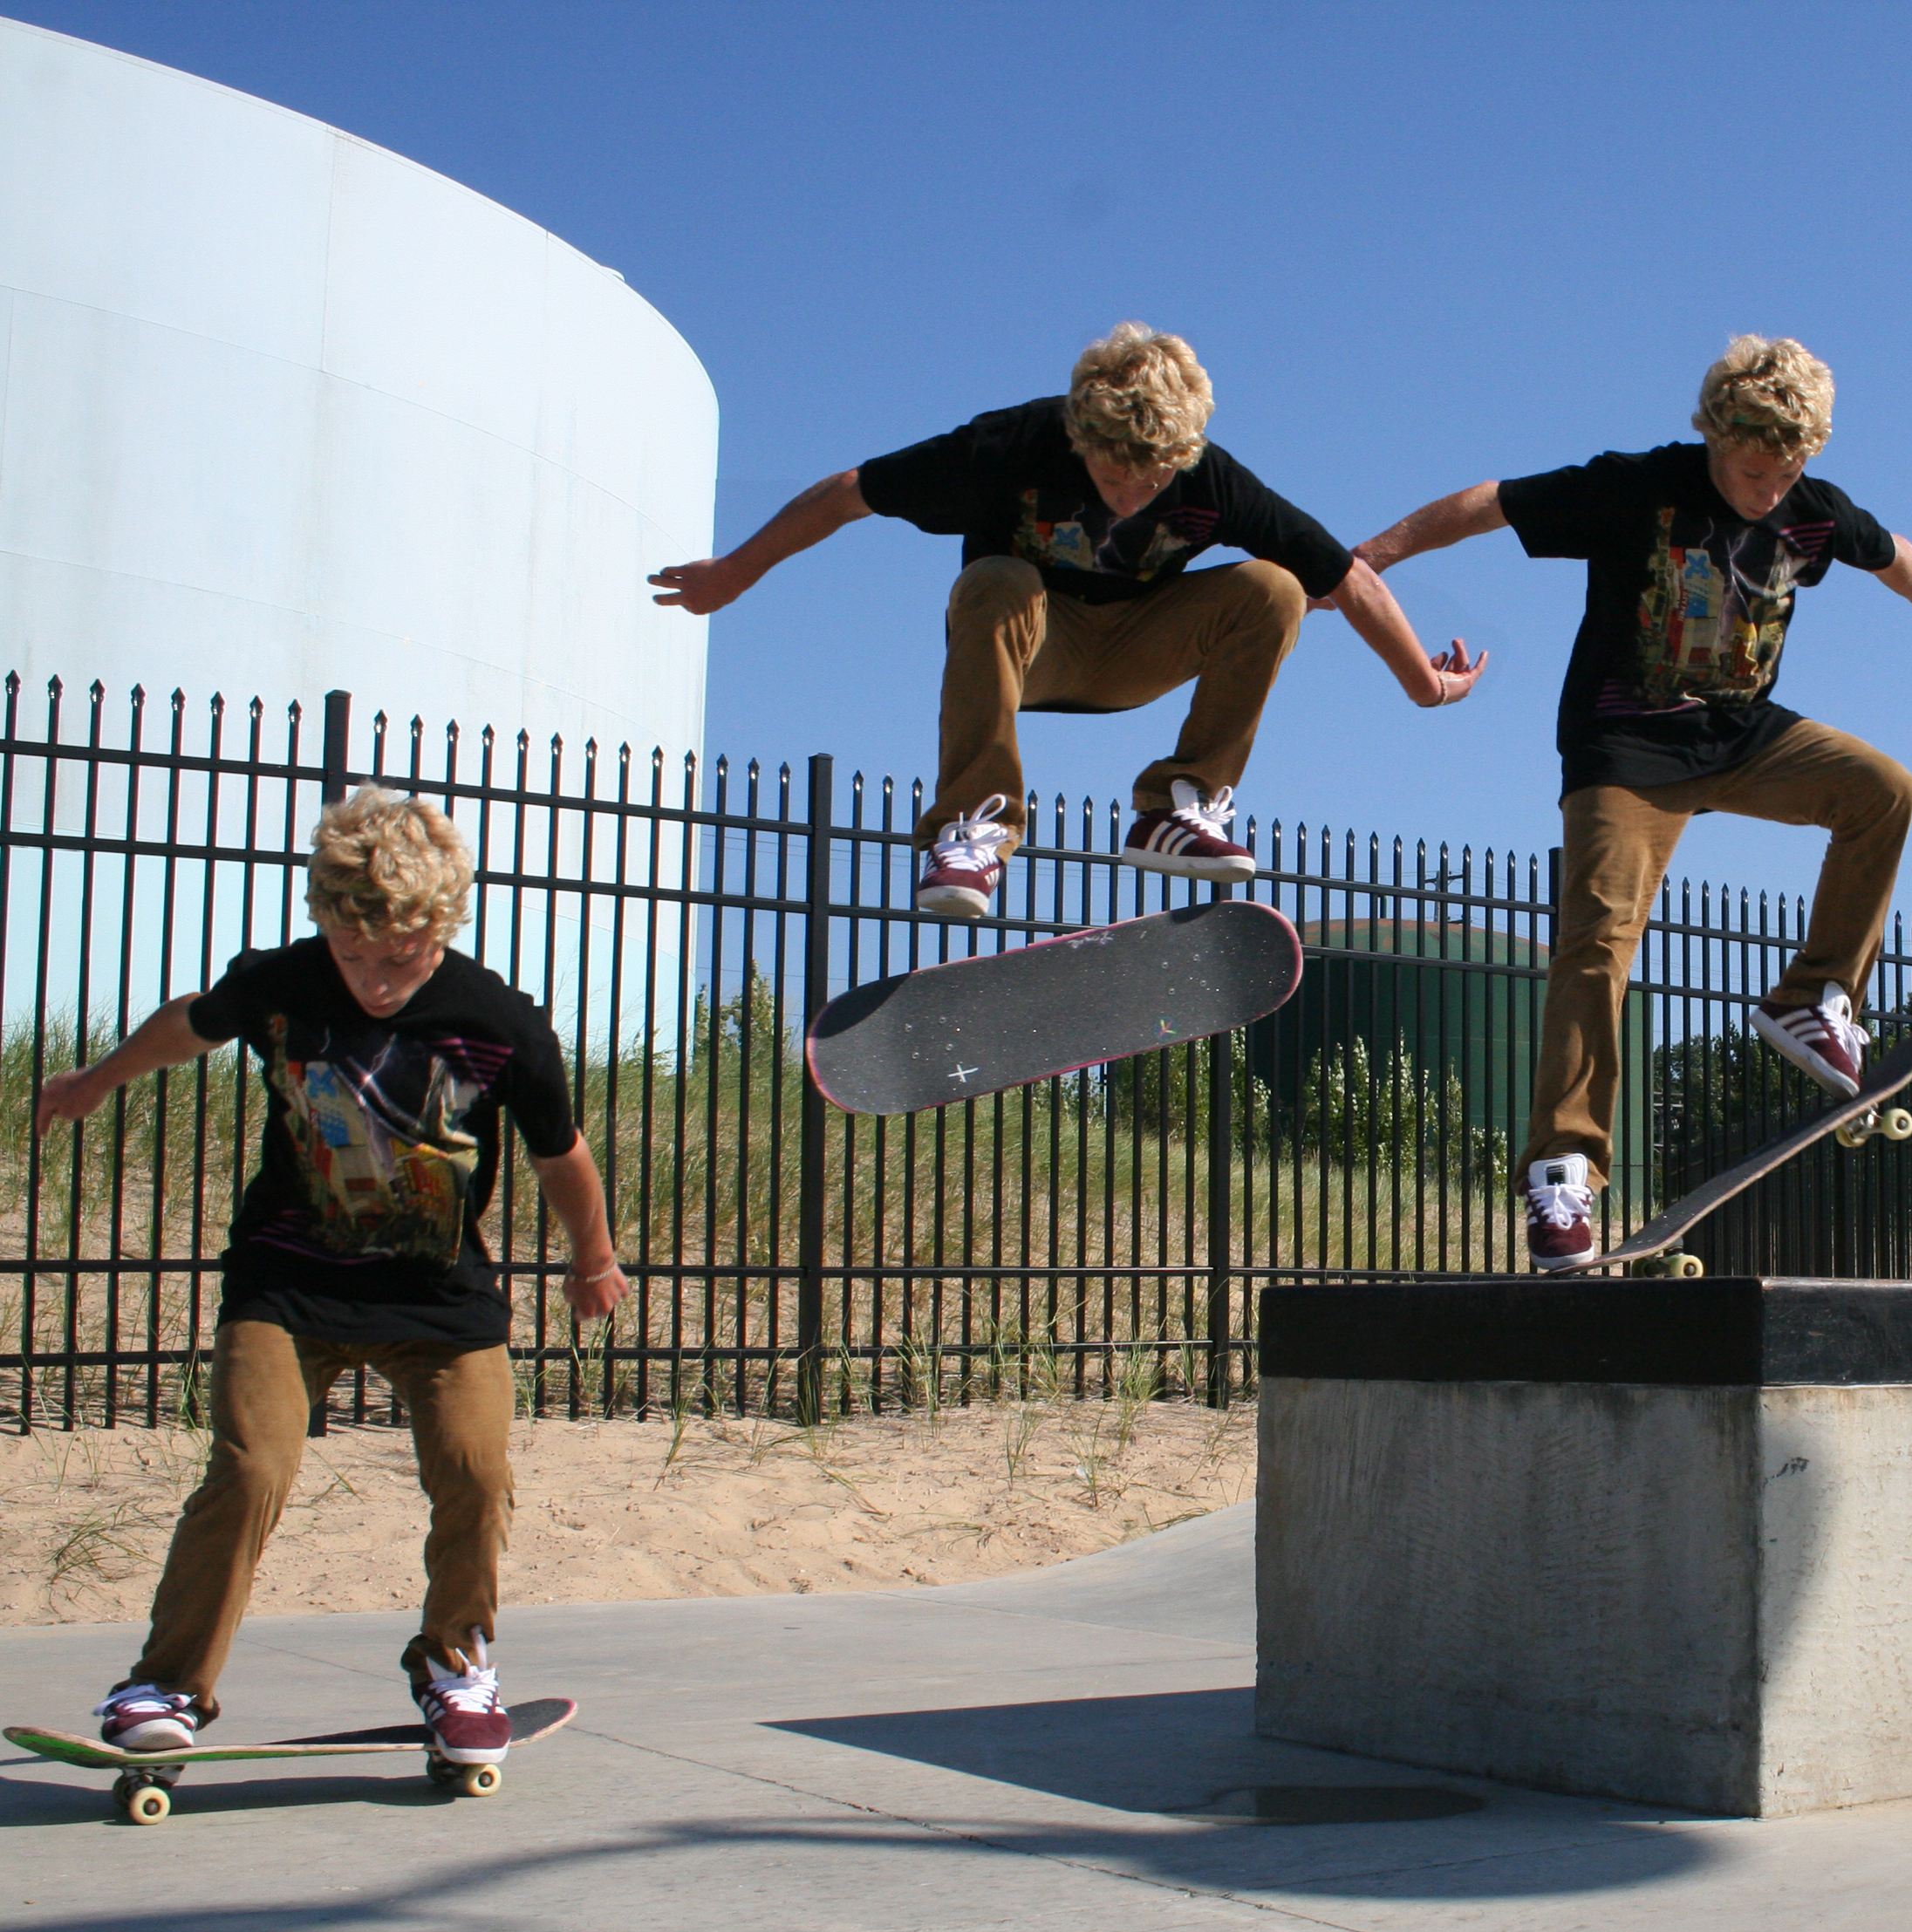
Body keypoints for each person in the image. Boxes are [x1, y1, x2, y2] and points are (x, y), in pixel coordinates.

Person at [36, 789, 630, 1765]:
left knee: (477, 1476)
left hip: (438, 1300)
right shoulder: (284, 982)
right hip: (286, 1289)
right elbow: (193, 1023)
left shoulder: (499, 1021)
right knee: (250, 1468)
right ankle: (166, 1686)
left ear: (439, 925)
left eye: (400, 956)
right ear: (325, 925)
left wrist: (593, 1259)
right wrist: (100, 1079)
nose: (375, 980)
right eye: (353, 956)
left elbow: (558, 1152)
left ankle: (454, 1665)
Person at [1346, 335, 1912, 1271]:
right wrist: (1375, 557)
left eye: (1787, 470)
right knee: (1598, 938)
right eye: (1753, 469)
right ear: (1716, 437)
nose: (1768, 488)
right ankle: (1564, 1170)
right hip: (1625, 750)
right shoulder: (1636, 486)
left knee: (1884, 791)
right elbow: (1491, 504)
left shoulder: (1814, 510)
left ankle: (1814, 998)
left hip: (1743, 737)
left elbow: (1895, 556)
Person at [648, 322, 1483, 915]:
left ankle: (1178, 808)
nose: (1128, 493)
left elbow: (1350, 579)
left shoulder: (1214, 480)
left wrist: (1426, 689)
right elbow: (846, 495)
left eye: (1151, 481)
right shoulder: (1008, 445)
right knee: (997, 579)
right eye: (1113, 472)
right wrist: (734, 572)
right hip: (1033, 641)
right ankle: (974, 830)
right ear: (1081, 433)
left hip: (1135, 652)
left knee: (1274, 586)